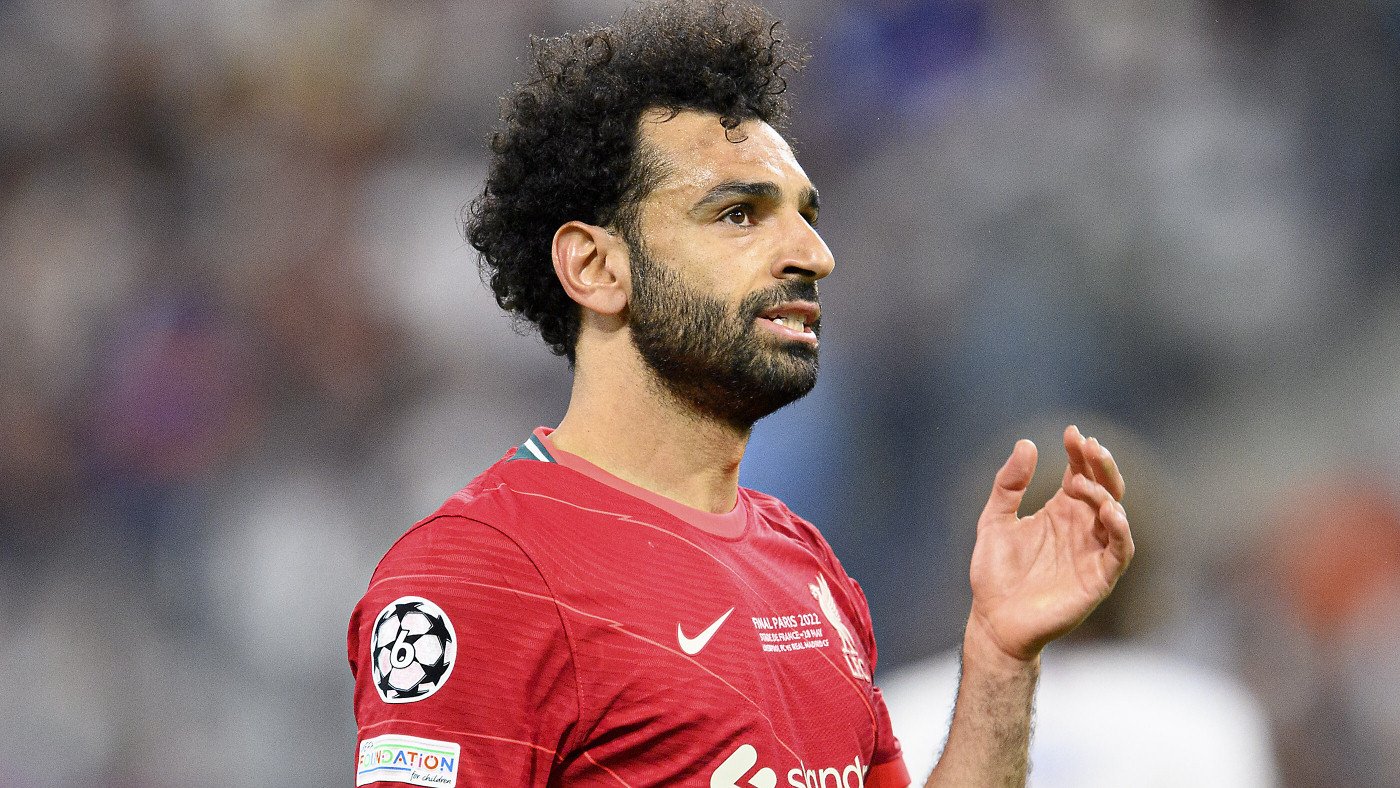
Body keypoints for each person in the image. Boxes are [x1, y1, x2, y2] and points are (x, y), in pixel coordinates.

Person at [347, 2, 1132, 786]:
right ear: (595, 267)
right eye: (738, 214)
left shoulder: (804, 563)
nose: (814, 254)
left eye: (806, 216)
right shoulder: (481, 573)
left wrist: (999, 658)